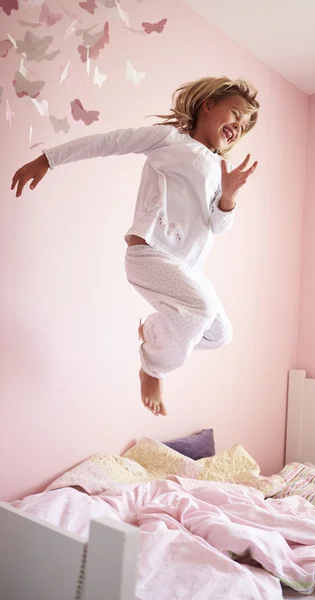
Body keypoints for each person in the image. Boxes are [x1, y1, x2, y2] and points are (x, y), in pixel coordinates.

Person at [11, 76, 259, 417]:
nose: (238, 126)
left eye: (244, 126)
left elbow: (217, 225)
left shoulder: (221, 168)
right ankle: (152, 368)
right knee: (200, 310)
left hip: (186, 269)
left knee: (220, 334)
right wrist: (48, 159)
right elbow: (108, 142)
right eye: (235, 114)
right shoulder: (169, 139)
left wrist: (228, 196)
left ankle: (152, 329)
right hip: (150, 253)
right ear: (207, 106)